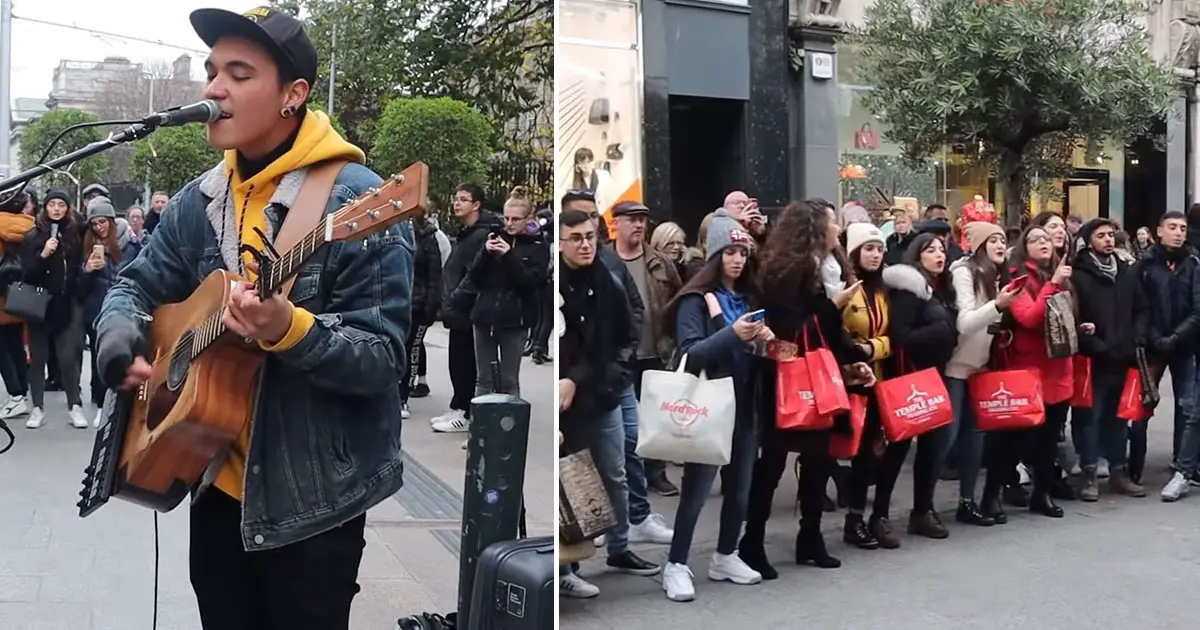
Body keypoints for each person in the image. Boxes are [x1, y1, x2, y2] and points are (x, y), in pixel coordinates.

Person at [93, 7, 410, 628]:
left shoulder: (356, 201)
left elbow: (384, 357)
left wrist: (287, 329)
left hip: (314, 502)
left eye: (239, 73)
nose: (213, 89)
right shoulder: (199, 200)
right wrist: (118, 333)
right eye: (213, 72)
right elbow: (132, 284)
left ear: (293, 95)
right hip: (211, 483)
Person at [660, 216, 766, 601]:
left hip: (745, 403)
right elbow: (692, 352)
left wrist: (767, 344)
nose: (737, 260)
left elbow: (751, 350)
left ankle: (726, 554)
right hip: (708, 404)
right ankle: (676, 564)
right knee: (697, 491)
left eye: (743, 252)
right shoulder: (695, 300)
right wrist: (732, 334)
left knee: (740, 489)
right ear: (715, 255)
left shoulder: (749, 298)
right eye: (730, 252)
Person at [21, 188, 88, 429]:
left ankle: (75, 406)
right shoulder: (34, 236)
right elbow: (26, 274)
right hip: (39, 305)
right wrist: (44, 254)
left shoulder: (74, 234)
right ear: (45, 208)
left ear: (68, 208)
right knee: (38, 359)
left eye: (61, 204)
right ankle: (37, 408)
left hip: (66, 305)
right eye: (52, 205)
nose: (57, 209)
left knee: (68, 359)